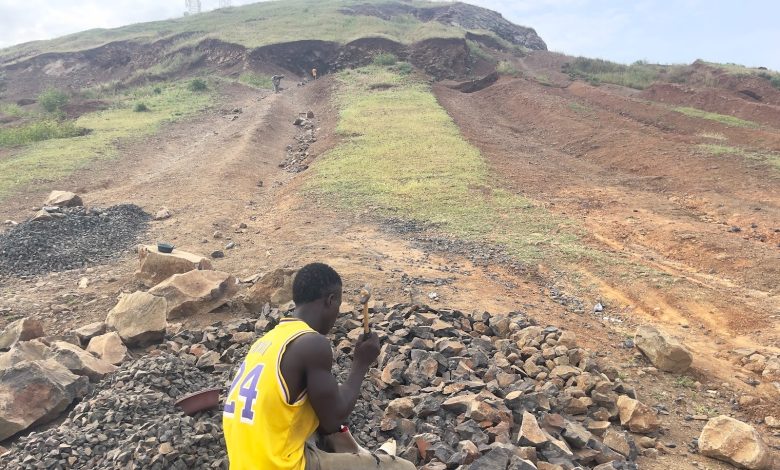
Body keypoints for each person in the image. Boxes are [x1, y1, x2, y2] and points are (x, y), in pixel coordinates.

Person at [223, 263, 415, 470]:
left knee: (331, 437)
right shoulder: (312, 343)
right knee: (403, 468)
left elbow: (323, 422)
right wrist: (361, 363)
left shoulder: (267, 342)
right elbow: (335, 417)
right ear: (330, 300)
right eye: (338, 305)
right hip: (279, 465)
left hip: (244, 463)